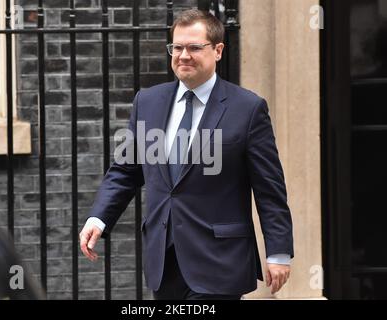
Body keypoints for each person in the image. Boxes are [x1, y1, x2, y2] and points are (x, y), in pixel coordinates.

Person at [80, 9, 293, 300]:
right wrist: (98, 219)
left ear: (218, 51)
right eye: (177, 47)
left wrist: (278, 251)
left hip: (220, 261)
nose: (183, 55)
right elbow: (125, 170)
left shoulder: (248, 109)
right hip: (164, 260)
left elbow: (269, 188)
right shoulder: (148, 102)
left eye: (194, 47)